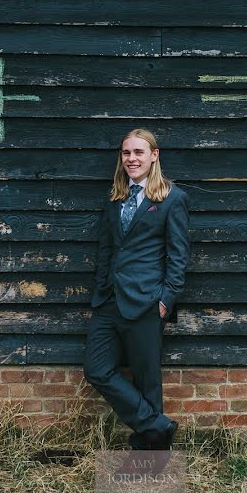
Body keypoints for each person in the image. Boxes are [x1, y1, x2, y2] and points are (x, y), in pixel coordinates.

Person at [84, 128, 190, 451]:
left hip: (147, 303)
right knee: (96, 369)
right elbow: (106, 248)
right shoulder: (115, 196)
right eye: (126, 153)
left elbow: (179, 255)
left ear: (154, 155)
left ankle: (153, 456)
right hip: (110, 302)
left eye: (138, 152)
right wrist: (101, 289)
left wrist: (165, 301)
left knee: (147, 380)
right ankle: (157, 426)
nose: (131, 159)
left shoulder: (172, 199)